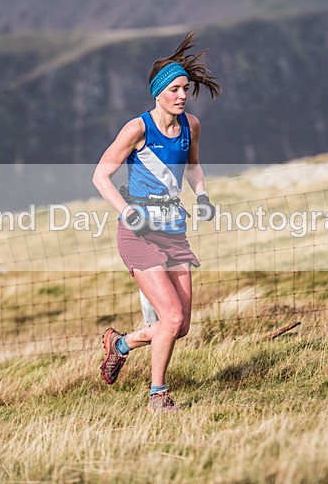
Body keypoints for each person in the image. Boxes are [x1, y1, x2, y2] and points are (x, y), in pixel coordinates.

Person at [92, 33, 220, 412]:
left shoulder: (190, 126)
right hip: (138, 233)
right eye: (176, 90)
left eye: (186, 89)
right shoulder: (137, 129)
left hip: (173, 230)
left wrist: (202, 196)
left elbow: (193, 167)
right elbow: (100, 176)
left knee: (180, 326)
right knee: (172, 316)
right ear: (159, 93)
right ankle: (158, 395)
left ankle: (120, 344)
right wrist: (125, 210)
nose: (183, 96)